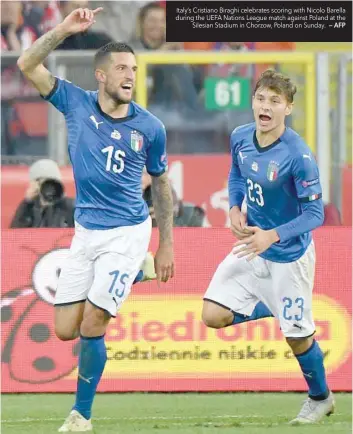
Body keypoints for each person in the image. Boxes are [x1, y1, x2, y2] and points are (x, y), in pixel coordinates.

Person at [17, 6, 174, 432]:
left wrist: (165, 244)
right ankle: (134, 275)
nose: (130, 75)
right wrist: (64, 30)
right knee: (65, 329)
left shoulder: (150, 127)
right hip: (87, 233)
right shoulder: (76, 102)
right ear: (101, 75)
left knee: (92, 322)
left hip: (128, 232)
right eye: (121, 67)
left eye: (135, 69)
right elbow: (27, 63)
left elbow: (160, 184)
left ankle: (80, 415)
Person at [202, 69, 334, 425]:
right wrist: (233, 205)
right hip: (252, 246)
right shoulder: (241, 136)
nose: (265, 106)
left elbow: (315, 213)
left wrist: (271, 235)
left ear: (287, 108)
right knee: (212, 315)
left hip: (289, 255)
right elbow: (235, 173)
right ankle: (277, 308)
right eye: (261, 98)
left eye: (275, 101)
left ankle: (320, 398)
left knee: (297, 339)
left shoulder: (298, 155)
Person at [10, 159, 75, 228]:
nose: (47, 187)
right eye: (40, 181)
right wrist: (27, 202)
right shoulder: (29, 207)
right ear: (33, 184)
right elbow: (15, 232)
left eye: (51, 182)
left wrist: (61, 199)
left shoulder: (69, 206)